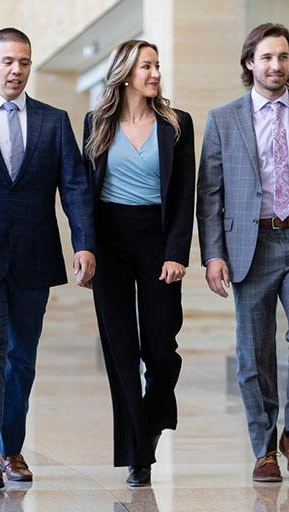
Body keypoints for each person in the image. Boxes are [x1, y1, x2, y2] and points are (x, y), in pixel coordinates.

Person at [0, 27, 95, 491]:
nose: (17, 70)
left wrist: (84, 242)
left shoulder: (54, 121)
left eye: (25, 62)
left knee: (22, 358)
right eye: (8, 61)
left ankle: (10, 448)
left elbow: (74, 186)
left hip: (33, 258)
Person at [196, 23, 289, 483]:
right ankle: (263, 448)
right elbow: (210, 194)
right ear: (249, 63)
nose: (276, 66)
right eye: (267, 57)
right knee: (253, 350)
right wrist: (213, 254)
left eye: (283, 57)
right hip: (248, 245)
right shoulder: (223, 119)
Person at [82, 39, 194, 487]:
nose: (155, 73)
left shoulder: (176, 124)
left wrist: (176, 253)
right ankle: (137, 453)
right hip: (109, 239)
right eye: (147, 66)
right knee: (121, 349)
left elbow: (184, 194)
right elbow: (83, 191)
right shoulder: (97, 122)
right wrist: (86, 248)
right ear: (126, 73)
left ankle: (152, 418)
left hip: (156, 238)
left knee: (161, 349)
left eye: (157, 66)